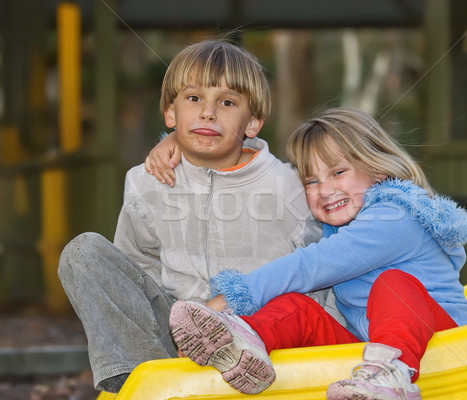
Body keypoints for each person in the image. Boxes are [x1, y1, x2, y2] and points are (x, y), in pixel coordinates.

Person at [57, 39, 323, 393]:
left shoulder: (285, 184)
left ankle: (202, 373)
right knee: (82, 252)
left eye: (227, 102)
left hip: (253, 334)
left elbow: (321, 269)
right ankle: (152, 381)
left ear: (253, 122)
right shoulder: (146, 181)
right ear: (170, 114)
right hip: (173, 332)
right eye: (194, 99)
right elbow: (137, 266)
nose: (208, 113)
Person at [168, 107, 467, 399]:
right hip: (371, 356)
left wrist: (235, 297)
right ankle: (240, 344)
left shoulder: (396, 217)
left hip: (445, 345)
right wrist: (177, 144)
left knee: (393, 284)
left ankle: (389, 376)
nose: (325, 189)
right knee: (297, 308)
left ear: (377, 170)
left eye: (338, 172)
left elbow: (313, 265)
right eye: (312, 181)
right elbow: (261, 170)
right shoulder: (339, 227)